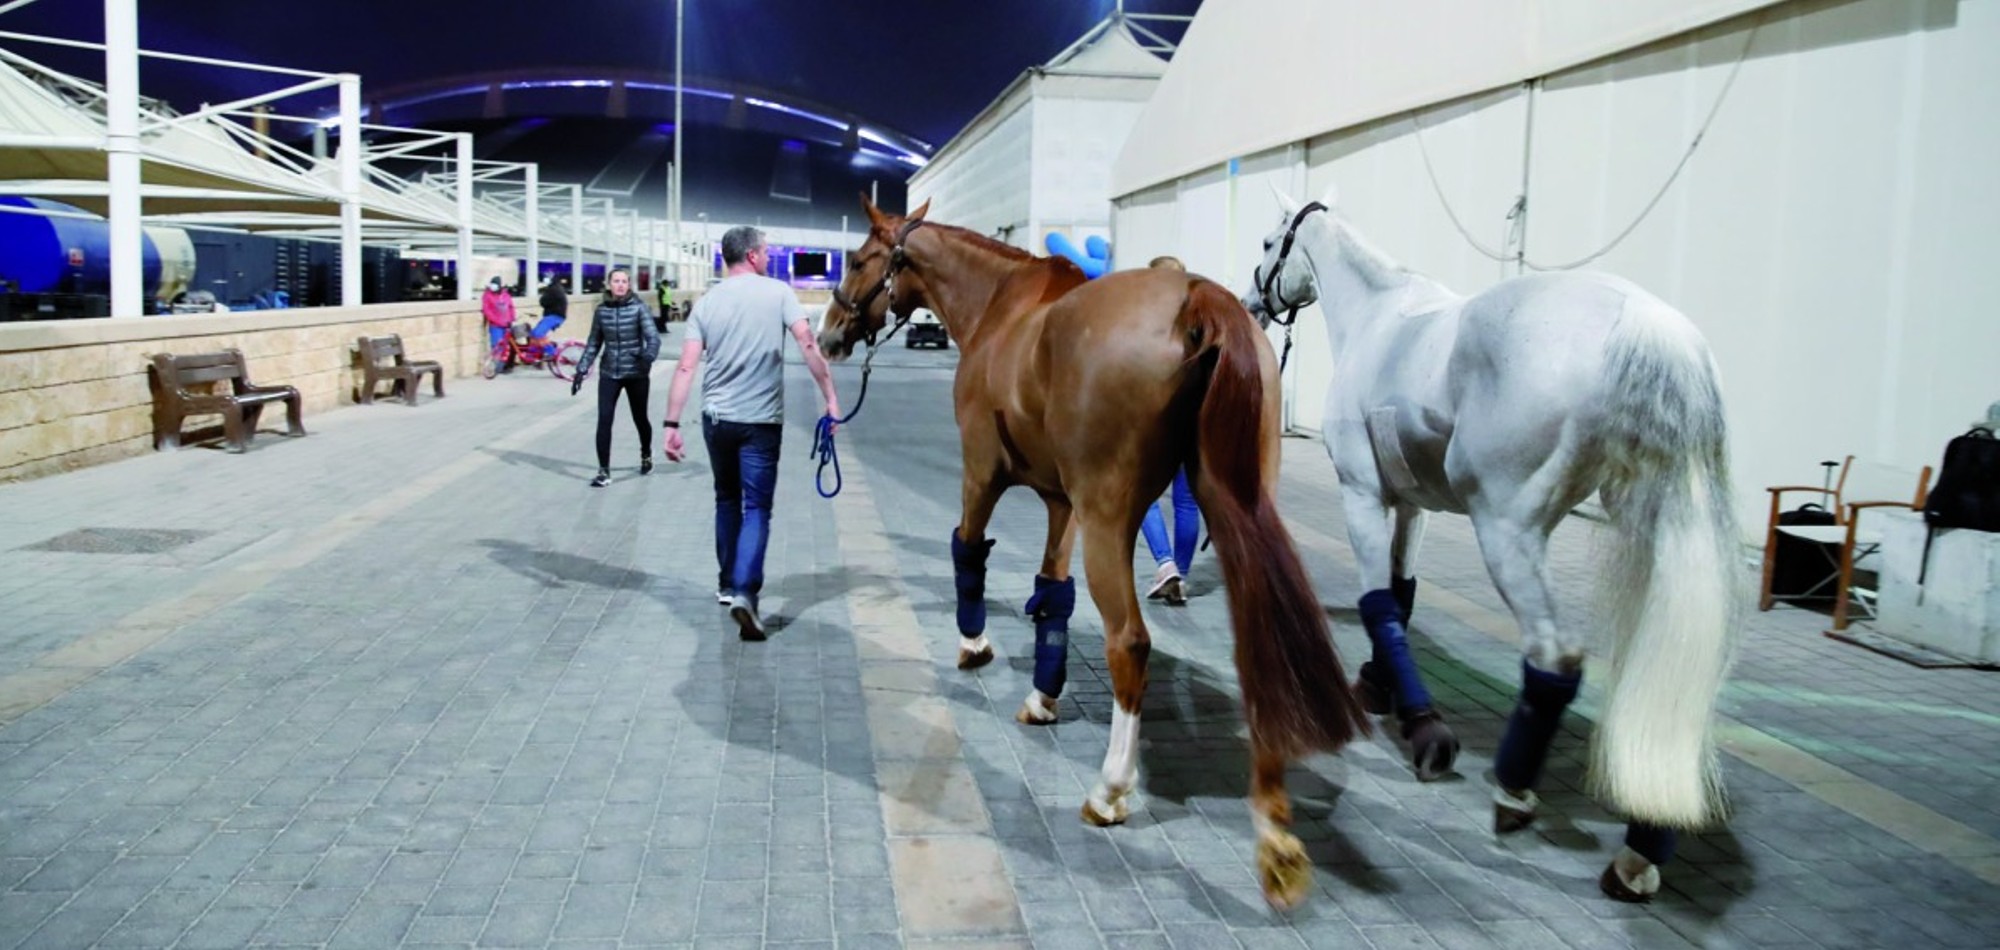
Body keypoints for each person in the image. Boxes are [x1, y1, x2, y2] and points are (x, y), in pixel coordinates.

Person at [662, 226, 841, 641]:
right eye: (766, 251)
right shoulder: (778, 293)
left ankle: (727, 585)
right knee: (757, 508)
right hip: (761, 422)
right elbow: (808, 345)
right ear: (755, 256)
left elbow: (686, 366)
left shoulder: (706, 302)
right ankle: (745, 590)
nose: (768, 255)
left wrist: (671, 425)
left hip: (717, 420)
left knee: (726, 498)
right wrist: (829, 397)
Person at [1137, 255, 1201, 605]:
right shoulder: (1202, 321)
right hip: (1196, 421)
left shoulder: (1147, 324)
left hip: (1158, 421)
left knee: (1143, 494)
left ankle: (1165, 564)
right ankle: (1182, 576)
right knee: (1187, 502)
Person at [570, 268, 660, 487]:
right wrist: (581, 370)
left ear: (629, 285)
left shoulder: (639, 308)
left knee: (640, 418)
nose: (620, 285)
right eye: (616, 281)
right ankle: (604, 471)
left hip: (636, 372)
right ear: (608, 284)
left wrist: (647, 357)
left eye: (624, 281)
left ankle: (646, 453)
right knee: (604, 419)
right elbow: (593, 343)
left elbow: (653, 338)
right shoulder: (601, 311)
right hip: (610, 372)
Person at [480, 276, 516, 373]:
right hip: (496, 325)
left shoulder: (506, 295)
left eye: (495, 284)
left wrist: (512, 319)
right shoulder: (487, 296)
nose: (493, 286)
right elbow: (487, 310)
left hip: (507, 325)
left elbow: (511, 307)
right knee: (496, 345)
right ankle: (495, 367)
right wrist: (497, 321)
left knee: (505, 346)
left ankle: (502, 367)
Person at [533, 276, 569, 340]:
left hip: (553, 316)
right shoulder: (558, 288)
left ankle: (550, 350)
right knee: (536, 334)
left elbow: (543, 302)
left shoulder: (553, 289)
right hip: (558, 316)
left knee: (537, 334)